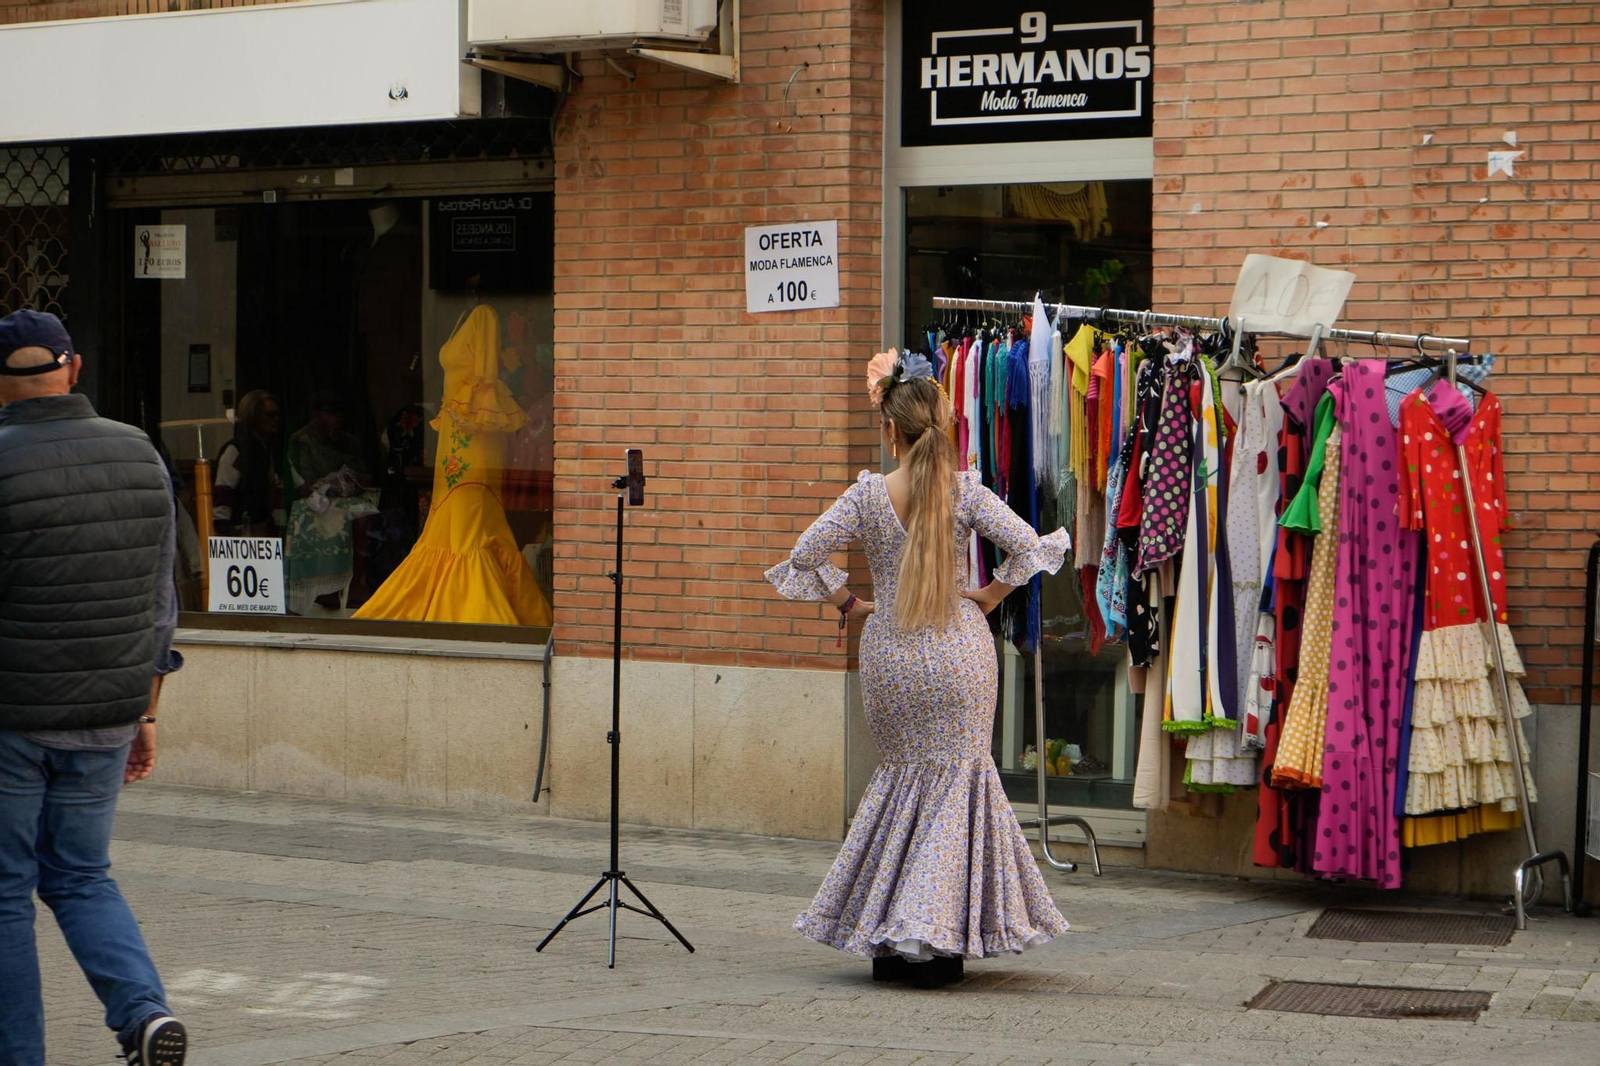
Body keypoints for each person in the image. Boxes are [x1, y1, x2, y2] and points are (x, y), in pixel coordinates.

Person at [766, 350, 1071, 988]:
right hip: (960, 651)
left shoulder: (867, 495)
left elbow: (803, 554)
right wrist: (990, 594)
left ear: (890, 431)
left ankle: (890, 936)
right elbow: (1035, 547)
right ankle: (934, 940)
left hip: (893, 653)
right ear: (941, 425)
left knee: (903, 783)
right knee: (956, 787)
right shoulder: (966, 492)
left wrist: (847, 601)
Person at [0, 310, 188, 1065]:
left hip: (15, 717)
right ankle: (143, 1014)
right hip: (110, 711)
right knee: (81, 876)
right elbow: (161, 602)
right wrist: (148, 709)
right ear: (73, 368)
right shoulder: (140, 451)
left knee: (6, 894)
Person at [214, 388, 283, 536]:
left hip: (262, 528)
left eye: (278, 415)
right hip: (241, 530)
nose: (276, 419)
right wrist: (224, 530)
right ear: (253, 416)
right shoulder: (237, 450)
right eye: (270, 415)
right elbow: (224, 491)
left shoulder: (268, 451)